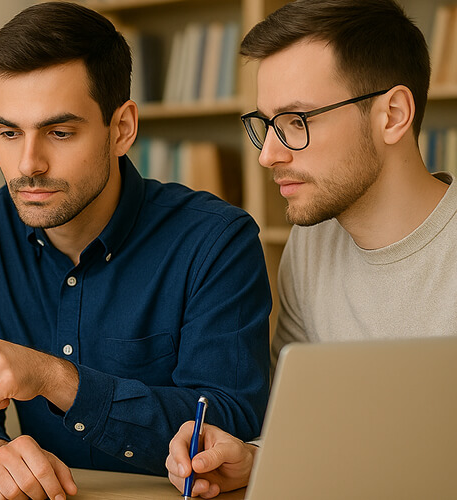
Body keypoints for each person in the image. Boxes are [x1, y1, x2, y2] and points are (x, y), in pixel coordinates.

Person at [0, 3, 272, 500]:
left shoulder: (216, 241)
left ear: (122, 128)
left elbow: (227, 421)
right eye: (8, 132)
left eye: (59, 133)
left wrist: (51, 377)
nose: (28, 164)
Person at [164, 1, 452, 497]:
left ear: (393, 115)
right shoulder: (311, 242)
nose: (267, 154)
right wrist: (256, 459)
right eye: (266, 123)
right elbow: (318, 438)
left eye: (296, 121)